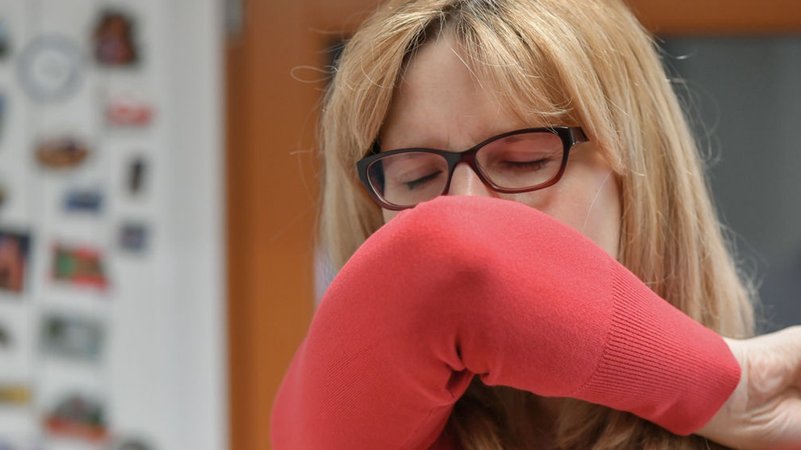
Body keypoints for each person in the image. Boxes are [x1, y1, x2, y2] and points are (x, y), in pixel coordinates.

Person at [272, 0, 801, 449]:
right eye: (418, 177)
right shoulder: (348, 410)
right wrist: (727, 386)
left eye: (523, 161)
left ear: (638, 172)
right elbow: (448, 266)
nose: (465, 203)